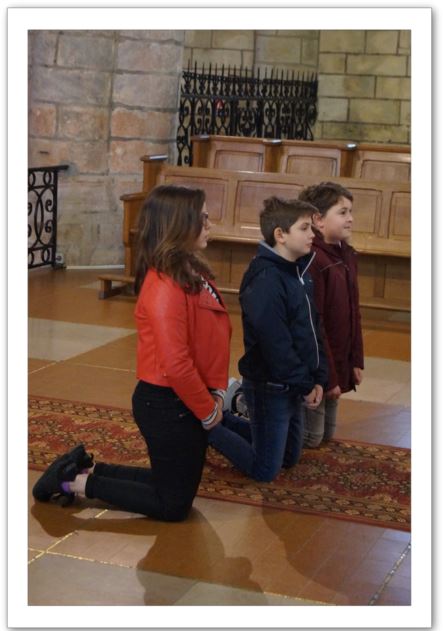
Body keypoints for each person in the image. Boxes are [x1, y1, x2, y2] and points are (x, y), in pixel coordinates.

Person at [33, 184, 232, 521]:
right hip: (167, 403)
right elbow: (175, 363)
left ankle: (85, 469)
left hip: (183, 398)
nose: (209, 224)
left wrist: (216, 391)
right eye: (202, 218)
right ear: (178, 224)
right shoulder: (166, 285)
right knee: (173, 506)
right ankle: (74, 483)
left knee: (171, 487)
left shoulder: (187, 269)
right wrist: (208, 410)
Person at [208, 196, 328, 482]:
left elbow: (314, 328)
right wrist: (305, 384)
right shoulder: (265, 279)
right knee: (265, 470)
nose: (312, 234)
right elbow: (276, 345)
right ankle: (205, 428)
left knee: (289, 458)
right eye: (304, 228)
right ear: (280, 235)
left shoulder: (298, 271)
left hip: (292, 382)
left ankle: (225, 421)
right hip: (269, 385)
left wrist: (319, 377)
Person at [298, 181, 364, 448]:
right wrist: (329, 378)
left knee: (326, 436)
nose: (350, 219)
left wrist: (356, 360)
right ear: (318, 220)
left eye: (351, 212)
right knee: (311, 438)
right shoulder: (314, 260)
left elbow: (354, 311)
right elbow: (316, 323)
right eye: (342, 212)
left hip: (338, 359)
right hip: (320, 365)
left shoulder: (346, 255)